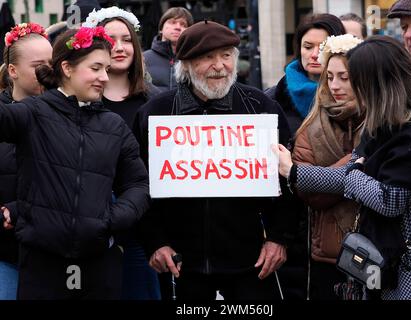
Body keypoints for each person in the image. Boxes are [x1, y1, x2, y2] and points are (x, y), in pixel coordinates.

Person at [276, 36, 411, 300]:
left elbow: (390, 199)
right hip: (389, 259)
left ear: (380, 85)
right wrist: (295, 172)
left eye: (354, 81)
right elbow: (349, 175)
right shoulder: (384, 125)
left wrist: (356, 173)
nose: (347, 89)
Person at [134, 20, 295, 300]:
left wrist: (278, 238)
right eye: (207, 57)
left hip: (251, 264)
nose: (219, 65)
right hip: (181, 265)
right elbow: (138, 184)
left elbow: (288, 181)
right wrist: (155, 242)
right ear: (185, 65)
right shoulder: (156, 114)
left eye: (227, 55)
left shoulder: (260, 109)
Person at [0, 26, 150, 299]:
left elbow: (138, 184)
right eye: (95, 68)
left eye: (106, 68)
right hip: (42, 265)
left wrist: (112, 220)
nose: (104, 77)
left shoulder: (113, 125)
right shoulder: (32, 113)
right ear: (67, 68)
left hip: (99, 265)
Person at [82, 5, 161, 300]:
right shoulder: (79, 102)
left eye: (126, 39)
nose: (119, 47)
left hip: (145, 230)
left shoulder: (155, 102)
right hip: (91, 228)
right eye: (110, 39)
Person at [291, 34, 363, 300]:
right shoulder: (311, 128)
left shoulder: (381, 122)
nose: (335, 85)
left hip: (377, 247)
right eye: (330, 76)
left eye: (344, 77)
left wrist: (323, 176)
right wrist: (355, 163)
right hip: (329, 255)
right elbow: (308, 194)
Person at [0, 22, 52, 300]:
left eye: (52, 63)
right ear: (13, 71)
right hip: (6, 254)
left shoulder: (68, 114)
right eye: (37, 65)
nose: (47, 71)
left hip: (52, 256)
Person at [266, 14, 346, 135]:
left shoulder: (358, 95)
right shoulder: (273, 98)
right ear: (299, 49)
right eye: (308, 47)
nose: (314, 54)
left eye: (322, 48)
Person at [143, 7, 193, 91]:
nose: (178, 27)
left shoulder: (193, 60)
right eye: (172, 22)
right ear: (161, 29)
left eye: (183, 24)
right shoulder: (143, 58)